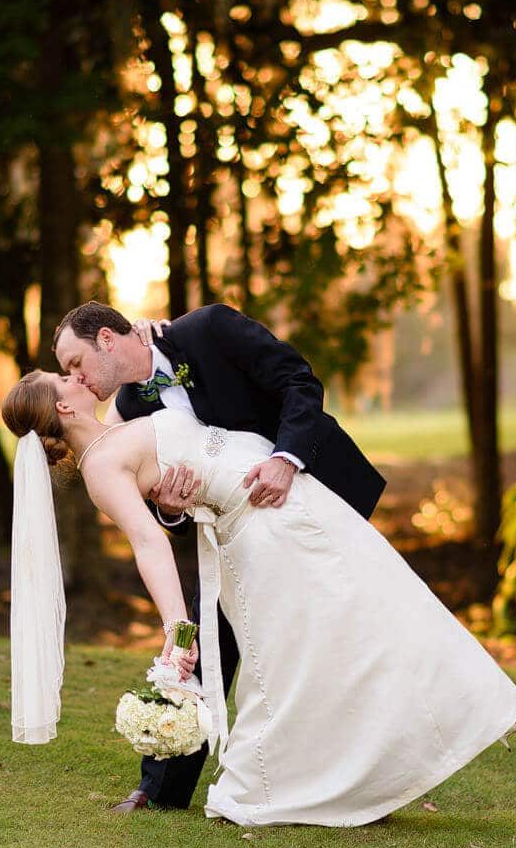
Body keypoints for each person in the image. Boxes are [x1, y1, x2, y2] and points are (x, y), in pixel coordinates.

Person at [1, 369, 516, 827]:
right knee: (335, 637)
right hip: (264, 529)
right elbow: (149, 543)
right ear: (66, 409)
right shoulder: (102, 466)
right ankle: (265, 785)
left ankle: (489, 706)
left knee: (385, 600)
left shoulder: (122, 424)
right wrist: (179, 628)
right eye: (65, 377)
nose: (77, 376)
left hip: (291, 501)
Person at [50, 301, 386, 814]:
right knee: (203, 636)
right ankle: (159, 789)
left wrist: (285, 459)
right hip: (235, 533)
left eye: (77, 362)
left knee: (349, 637)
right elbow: (166, 506)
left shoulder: (209, 330)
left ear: (108, 340)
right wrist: (171, 508)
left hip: (313, 493)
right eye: (68, 372)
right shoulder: (129, 414)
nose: (77, 377)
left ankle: (355, 777)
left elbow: (299, 382)